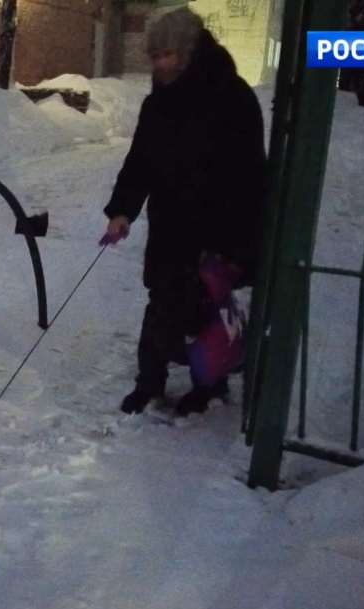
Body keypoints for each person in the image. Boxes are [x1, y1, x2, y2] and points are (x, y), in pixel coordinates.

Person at [102, 8, 265, 416]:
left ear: (190, 50)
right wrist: (122, 210)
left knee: (207, 307)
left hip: (217, 228)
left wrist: (238, 244)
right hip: (170, 225)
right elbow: (140, 161)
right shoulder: (158, 103)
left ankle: (208, 385)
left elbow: (250, 175)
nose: (160, 64)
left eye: (168, 54)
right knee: (161, 302)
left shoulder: (233, 97)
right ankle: (148, 383)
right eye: (154, 56)